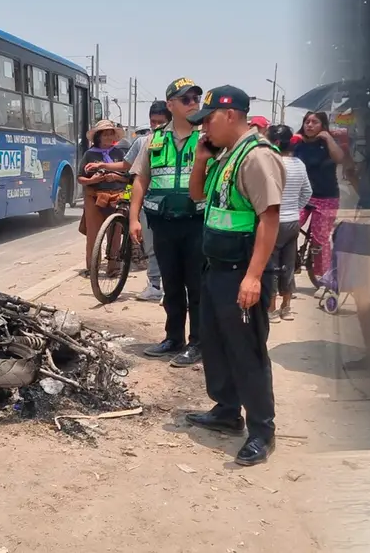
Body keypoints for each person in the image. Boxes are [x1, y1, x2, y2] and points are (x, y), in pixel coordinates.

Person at [187, 85, 286, 466]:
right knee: (216, 344)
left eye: (207, 120)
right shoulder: (226, 156)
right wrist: (200, 159)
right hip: (215, 268)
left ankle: (262, 430)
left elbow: (269, 218)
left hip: (240, 270)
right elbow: (198, 196)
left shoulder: (257, 157)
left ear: (230, 115)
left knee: (247, 351)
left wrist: (254, 276)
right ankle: (227, 410)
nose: (203, 129)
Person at [129, 77, 205, 366]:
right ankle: (173, 338)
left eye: (196, 98)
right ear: (171, 104)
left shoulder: (206, 137)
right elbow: (141, 179)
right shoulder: (155, 139)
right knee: (171, 284)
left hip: (196, 222)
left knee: (196, 286)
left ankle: (197, 342)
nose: (193, 104)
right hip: (162, 222)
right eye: (186, 99)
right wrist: (134, 218)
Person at [294, 111, 346, 295]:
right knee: (288, 229)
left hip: (326, 197)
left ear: (322, 125)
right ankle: (286, 270)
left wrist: (328, 138)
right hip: (301, 197)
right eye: (306, 121)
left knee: (320, 239)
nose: (309, 125)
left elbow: (340, 159)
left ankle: (325, 279)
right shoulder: (298, 144)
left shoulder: (328, 144)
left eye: (314, 122)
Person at [265, 124, 312, 322]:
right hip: (292, 221)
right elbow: (307, 192)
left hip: (274, 221)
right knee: (288, 264)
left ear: (275, 142)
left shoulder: (271, 164)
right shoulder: (299, 164)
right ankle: (287, 307)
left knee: (272, 266)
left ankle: (272, 310)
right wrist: (295, 207)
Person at [125, 101, 170, 303]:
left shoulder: (183, 142)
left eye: (161, 122)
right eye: (153, 121)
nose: (157, 126)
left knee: (172, 248)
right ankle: (154, 285)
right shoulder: (146, 142)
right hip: (150, 205)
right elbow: (138, 177)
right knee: (151, 247)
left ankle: (171, 287)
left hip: (172, 206)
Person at [78, 119, 128, 276]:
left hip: (116, 197)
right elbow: (80, 178)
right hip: (94, 197)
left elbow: (128, 177)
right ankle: (92, 268)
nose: (108, 137)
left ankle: (113, 268)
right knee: (93, 234)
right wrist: (92, 180)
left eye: (110, 134)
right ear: (98, 137)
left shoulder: (119, 154)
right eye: (105, 134)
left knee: (115, 232)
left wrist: (115, 177)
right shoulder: (89, 154)